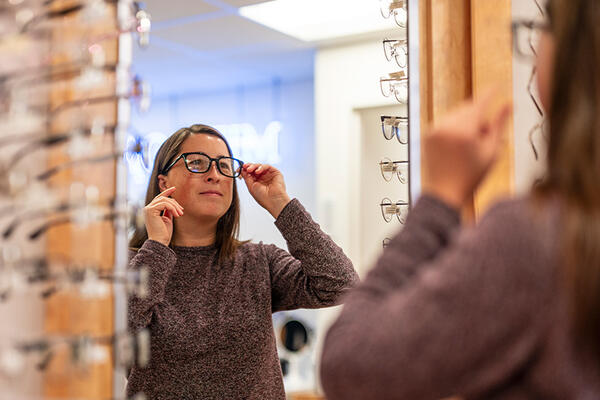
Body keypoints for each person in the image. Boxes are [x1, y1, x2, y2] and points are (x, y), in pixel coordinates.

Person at [320, 0, 600, 398]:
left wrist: (440, 196)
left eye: (543, 31)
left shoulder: (537, 237)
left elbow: (348, 365)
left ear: (576, 54)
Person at [126, 124, 358, 399]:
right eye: (197, 163)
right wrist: (156, 248)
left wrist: (281, 204)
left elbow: (341, 284)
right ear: (164, 182)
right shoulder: (136, 265)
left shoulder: (259, 261)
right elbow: (120, 327)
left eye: (224, 166)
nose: (214, 175)